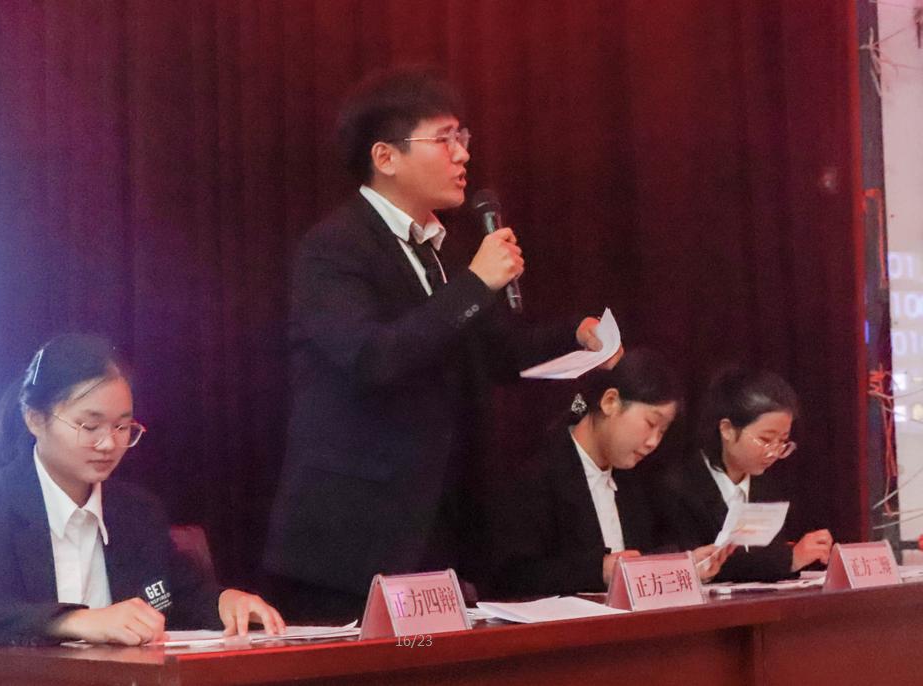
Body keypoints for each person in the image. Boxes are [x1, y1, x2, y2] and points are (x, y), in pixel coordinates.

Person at [262, 66, 621, 619]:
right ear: (386, 157)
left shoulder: (442, 252)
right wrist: (475, 284)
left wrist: (573, 337)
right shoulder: (334, 249)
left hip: (436, 530)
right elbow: (373, 358)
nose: (463, 155)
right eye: (444, 139)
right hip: (352, 541)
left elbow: (492, 354)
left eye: (463, 137)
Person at [0, 334, 285, 646]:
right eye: (89, 426)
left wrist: (225, 602)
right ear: (35, 419)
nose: (109, 444)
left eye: (122, 427)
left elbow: (181, 595)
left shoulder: (137, 512)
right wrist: (72, 621)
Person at [484, 349, 731, 596]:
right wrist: (599, 571)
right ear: (610, 402)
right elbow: (511, 576)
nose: (653, 442)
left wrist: (685, 566)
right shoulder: (538, 473)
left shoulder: (636, 480)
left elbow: (641, 559)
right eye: (650, 424)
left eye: (662, 431)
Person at [658, 368, 833, 582]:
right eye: (765, 440)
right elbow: (698, 563)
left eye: (782, 441)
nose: (774, 452)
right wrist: (789, 559)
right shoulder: (679, 486)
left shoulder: (768, 486)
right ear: (727, 429)